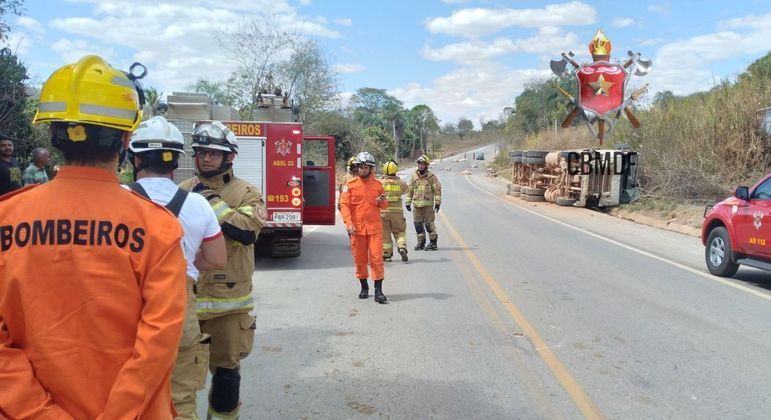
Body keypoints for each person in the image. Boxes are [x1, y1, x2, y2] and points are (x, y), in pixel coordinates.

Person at [0, 55, 186, 419]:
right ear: (126, 139)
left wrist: (41, 413)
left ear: (53, 136)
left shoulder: (6, 219)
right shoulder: (156, 227)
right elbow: (159, 342)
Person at [128, 116, 227, 419]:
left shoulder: (118, 197)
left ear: (134, 157)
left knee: (124, 392)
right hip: (179, 306)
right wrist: (184, 263)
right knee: (180, 397)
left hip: (124, 306)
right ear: (176, 160)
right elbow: (217, 259)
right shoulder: (197, 204)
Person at [178, 121, 266, 420]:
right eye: (201, 153)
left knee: (226, 376)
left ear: (230, 157)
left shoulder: (247, 193)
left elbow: (247, 232)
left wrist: (209, 200)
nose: (205, 158)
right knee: (177, 376)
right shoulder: (182, 191)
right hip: (183, 302)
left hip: (229, 306)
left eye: (213, 153)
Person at [340, 151, 390, 303]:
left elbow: (385, 205)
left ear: (370, 168)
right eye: (360, 167)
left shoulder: (378, 185)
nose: (362, 170)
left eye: (365, 167)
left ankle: (378, 292)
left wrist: (381, 200)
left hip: (374, 229)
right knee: (360, 260)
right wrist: (348, 223)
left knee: (376, 259)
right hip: (357, 230)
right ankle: (364, 287)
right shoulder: (350, 186)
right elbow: (344, 205)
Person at [405, 154, 442, 251]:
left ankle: (433, 243)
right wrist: (408, 202)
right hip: (417, 206)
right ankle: (421, 242)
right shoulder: (414, 177)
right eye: (419, 164)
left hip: (428, 206)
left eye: (422, 164)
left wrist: (437, 202)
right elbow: (410, 190)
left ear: (426, 165)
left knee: (428, 225)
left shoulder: (431, 177)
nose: (420, 166)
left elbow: (437, 190)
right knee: (417, 225)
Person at [379, 160, 409, 262]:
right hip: (397, 213)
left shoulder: (380, 183)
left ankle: (387, 255)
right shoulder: (400, 183)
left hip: (383, 212)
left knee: (385, 234)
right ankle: (401, 247)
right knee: (400, 232)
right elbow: (406, 190)